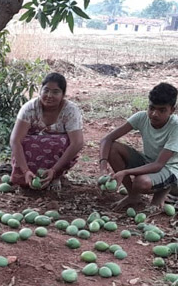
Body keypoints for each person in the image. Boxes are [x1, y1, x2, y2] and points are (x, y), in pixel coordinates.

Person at [99, 82, 178, 211]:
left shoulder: (175, 126)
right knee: (113, 148)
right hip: (149, 161)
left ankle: (164, 190)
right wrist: (103, 168)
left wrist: (125, 172)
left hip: (170, 168)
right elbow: (106, 140)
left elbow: (159, 165)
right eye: (151, 108)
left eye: (162, 110)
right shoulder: (141, 117)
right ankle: (133, 196)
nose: (154, 114)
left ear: (172, 110)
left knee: (141, 183)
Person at [9, 72, 84, 190]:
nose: (49, 95)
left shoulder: (70, 110)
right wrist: (25, 170)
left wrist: (54, 170)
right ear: (40, 91)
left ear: (63, 94)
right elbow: (15, 140)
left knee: (59, 142)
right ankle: (28, 176)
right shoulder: (29, 108)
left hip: (56, 153)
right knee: (25, 142)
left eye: (56, 92)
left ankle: (54, 176)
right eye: (46, 90)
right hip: (32, 151)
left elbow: (77, 143)